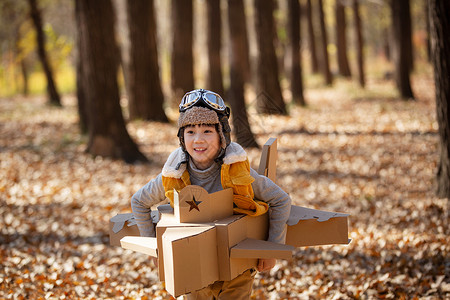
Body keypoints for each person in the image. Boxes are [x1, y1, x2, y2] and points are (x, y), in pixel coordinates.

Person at [131, 89, 291, 299]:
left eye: (207, 131)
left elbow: (281, 200)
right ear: (181, 137)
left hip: (237, 269)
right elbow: (139, 202)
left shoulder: (237, 170)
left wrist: (271, 250)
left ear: (222, 135)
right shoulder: (173, 174)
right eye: (190, 132)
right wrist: (154, 249)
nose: (198, 140)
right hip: (193, 269)